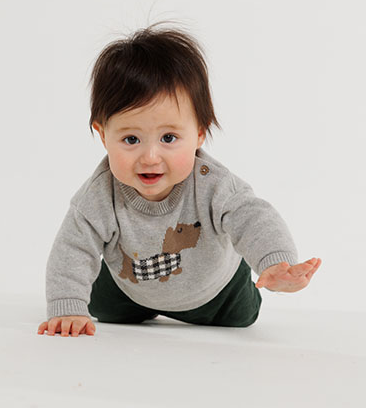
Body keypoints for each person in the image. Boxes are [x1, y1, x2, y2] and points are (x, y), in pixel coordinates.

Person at [37, 22, 321, 337]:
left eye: (169, 138)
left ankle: (237, 283)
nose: (150, 157)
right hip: (128, 288)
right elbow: (73, 249)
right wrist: (67, 307)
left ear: (199, 133)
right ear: (103, 135)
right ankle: (113, 301)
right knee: (100, 308)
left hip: (214, 290)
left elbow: (254, 219)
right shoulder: (99, 195)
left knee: (243, 315)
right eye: (131, 139)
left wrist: (275, 263)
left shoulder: (214, 186)